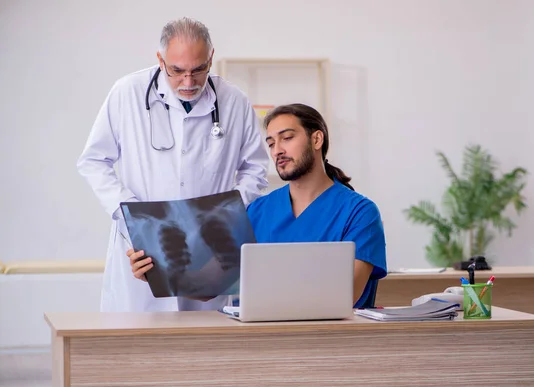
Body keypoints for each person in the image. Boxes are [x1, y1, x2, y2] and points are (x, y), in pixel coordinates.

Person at [77, 17, 269, 313]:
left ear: (211, 58)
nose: (188, 82)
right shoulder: (126, 92)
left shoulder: (234, 101)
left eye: (199, 69)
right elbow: (93, 161)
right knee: (137, 349)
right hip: (141, 244)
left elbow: (255, 168)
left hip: (210, 249)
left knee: (203, 351)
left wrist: (225, 217)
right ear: (160, 59)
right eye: (177, 71)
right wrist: (130, 213)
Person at [129, 103, 387, 308]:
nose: (277, 150)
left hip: (328, 346)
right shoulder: (257, 210)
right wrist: (157, 271)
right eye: (272, 143)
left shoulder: (359, 213)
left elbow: (347, 295)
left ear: (316, 139)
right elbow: (213, 286)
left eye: (287, 138)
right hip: (257, 344)